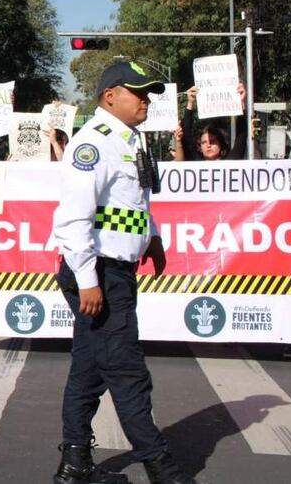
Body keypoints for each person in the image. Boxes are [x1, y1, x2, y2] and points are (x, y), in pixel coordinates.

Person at [52, 61, 194, 484]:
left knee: (89, 369)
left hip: (115, 269)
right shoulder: (92, 144)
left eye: (149, 94)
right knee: (128, 371)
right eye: (139, 93)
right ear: (110, 95)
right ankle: (162, 467)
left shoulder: (129, 142)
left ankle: (74, 466)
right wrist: (88, 280)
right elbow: (74, 218)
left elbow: (132, 205)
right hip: (100, 272)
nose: (146, 101)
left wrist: (152, 239)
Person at [177, 84, 250, 161]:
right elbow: (187, 134)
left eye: (212, 141)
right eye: (204, 142)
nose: (208, 145)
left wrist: (241, 102)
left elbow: (241, 137)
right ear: (200, 147)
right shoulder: (196, 164)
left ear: (221, 145)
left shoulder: (230, 163)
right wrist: (190, 102)